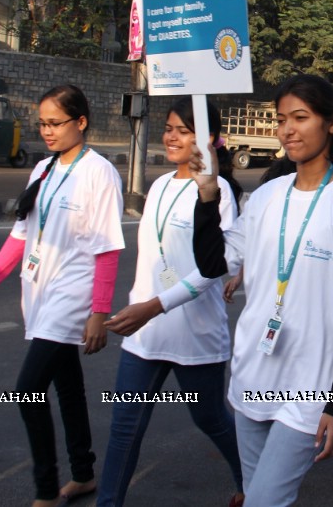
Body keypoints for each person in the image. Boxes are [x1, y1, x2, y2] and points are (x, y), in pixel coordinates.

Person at [189, 74, 333, 506]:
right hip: (253, 374)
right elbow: (213, 263)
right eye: (281, 120)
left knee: (264, 501)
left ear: (331, 123)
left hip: (310, 385)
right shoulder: (266, 194)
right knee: (260, 495)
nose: (287, 130)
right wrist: (206, 196)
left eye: (301, 117)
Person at [0, 85, 125, 507]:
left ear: (80, 122)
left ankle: (46, 490)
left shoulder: (99, 172)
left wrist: (98, 312)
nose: (47, 132)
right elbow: (19, 237)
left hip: (71, 295)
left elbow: (107, 247)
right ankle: (84, 473)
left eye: (55, 123)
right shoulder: (43, 171)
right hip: (39, 291)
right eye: (42, 124)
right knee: (67, 386)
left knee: (26, 389)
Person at [96, 98, 244, 507]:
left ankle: (252, 479)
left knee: (211, 419)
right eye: (169, 127)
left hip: (193, 334)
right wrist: (140, 307)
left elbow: (214, 268)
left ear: (210, 139)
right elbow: (153, 259)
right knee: (124, 427)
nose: (171, 136)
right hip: (143, 335)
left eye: (184, 129)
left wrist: (154, 306)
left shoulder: (220, 192)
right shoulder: (159, 185)